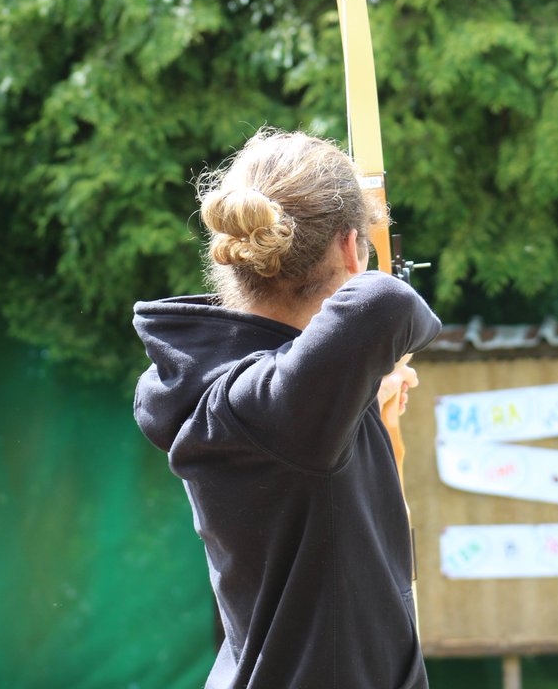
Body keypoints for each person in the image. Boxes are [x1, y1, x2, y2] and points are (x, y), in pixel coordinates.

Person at [132, 128, 441, 689]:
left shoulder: (243, 401)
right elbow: (382, 303)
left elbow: (342, 536)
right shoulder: (273, 408)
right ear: (350, 249)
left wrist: (374, 412)